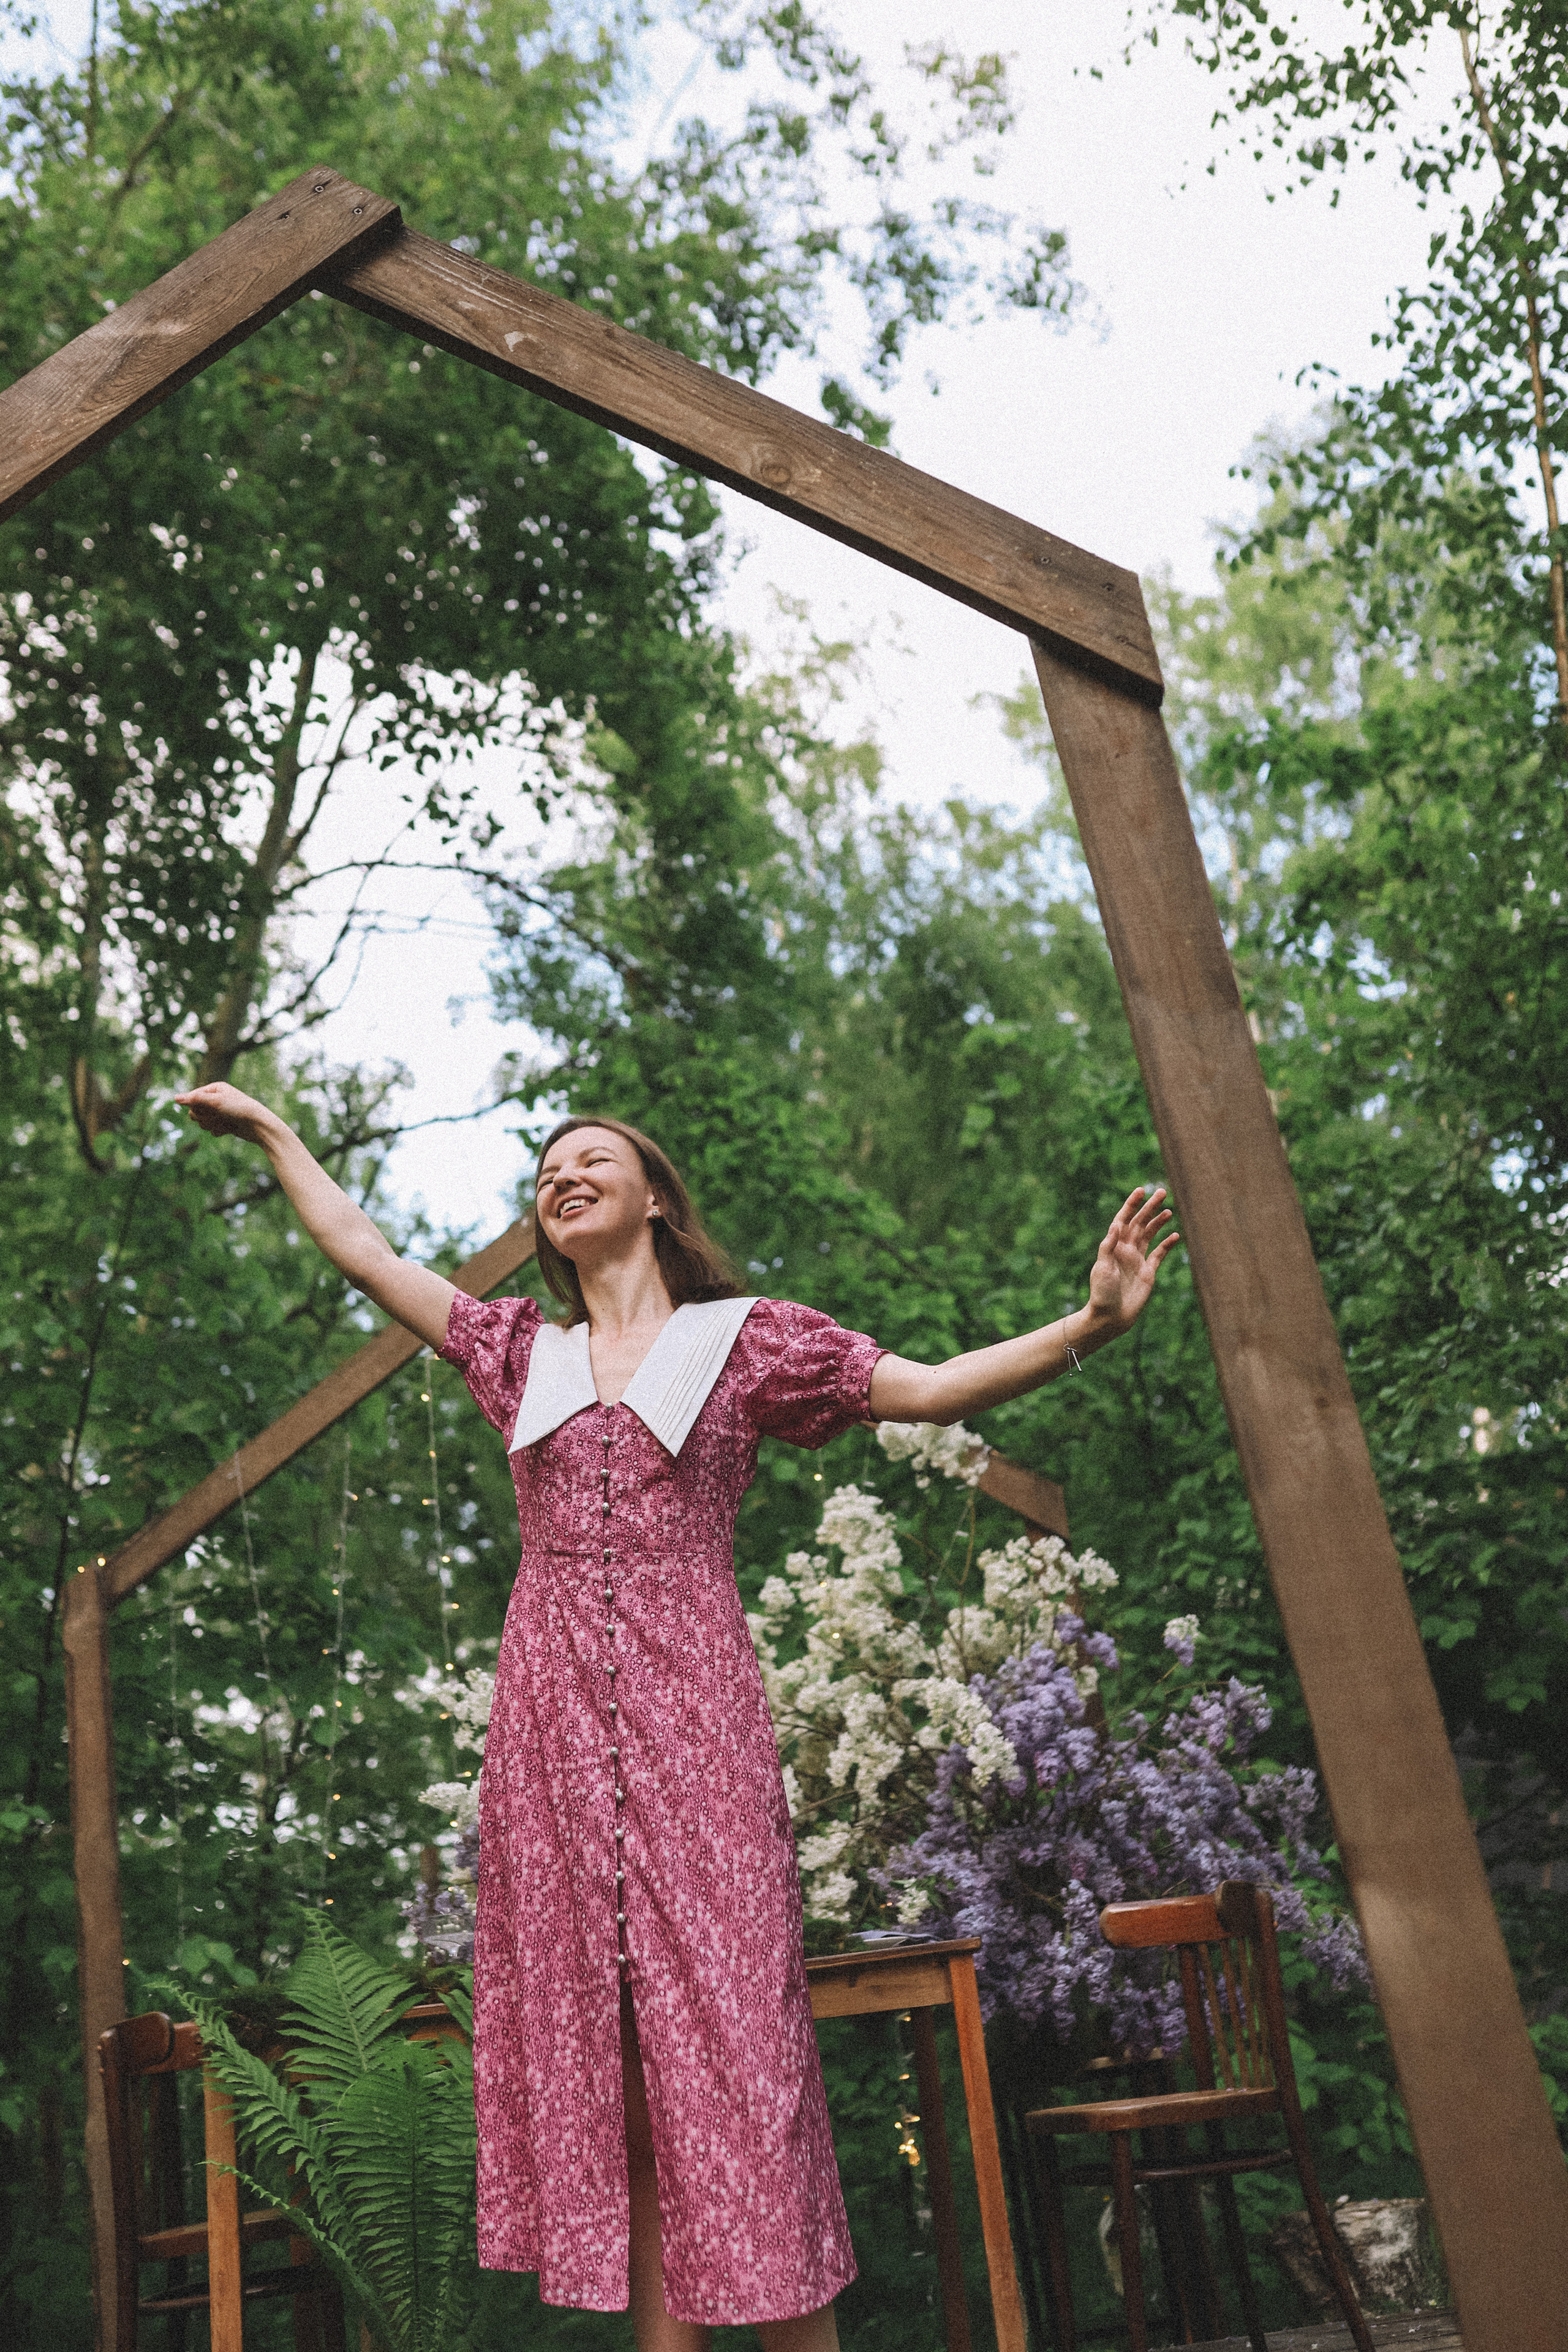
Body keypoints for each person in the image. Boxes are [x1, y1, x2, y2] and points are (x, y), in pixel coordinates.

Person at [175, 1084, 1178, 2351]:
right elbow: (365, 1249)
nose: (562, 1174)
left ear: (653, 1199)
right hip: (545, 1749)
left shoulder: (745, 1343)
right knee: (621, 2087)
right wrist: (276, 1134)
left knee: (738, 2066)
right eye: (545, 1169)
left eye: (591, 1158)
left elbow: (926, 1390)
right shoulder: (515, 1355)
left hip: (693, 1727)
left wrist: (1086, 1321)